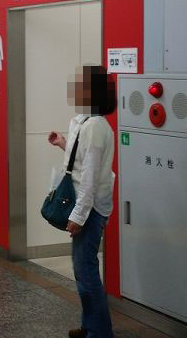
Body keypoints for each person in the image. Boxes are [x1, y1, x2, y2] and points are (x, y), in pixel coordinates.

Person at [48, 65, 116, 338]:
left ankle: (99, 332)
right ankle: (90, 326)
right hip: (86, 204)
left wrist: (78, 216)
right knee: (83, 270)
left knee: (86, 272)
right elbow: (82, 162)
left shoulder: (96, 127)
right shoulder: (84, 121)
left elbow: (89, 178)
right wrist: (64, 143)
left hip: (91, 208)